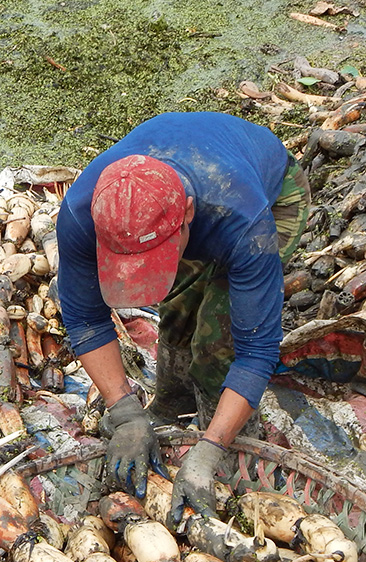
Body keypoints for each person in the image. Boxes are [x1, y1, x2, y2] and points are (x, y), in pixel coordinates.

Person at [57, 111, 310, 525]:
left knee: (219, 339)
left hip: (271, 192)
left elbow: (257, 351)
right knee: (177, 313)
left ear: (188, 213)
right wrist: (123, 409)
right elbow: (85, 317)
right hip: (183, 206)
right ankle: (168, 409)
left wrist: (210, 450)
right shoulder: (85, 212)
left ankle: (224, 438)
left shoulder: (243, 221)